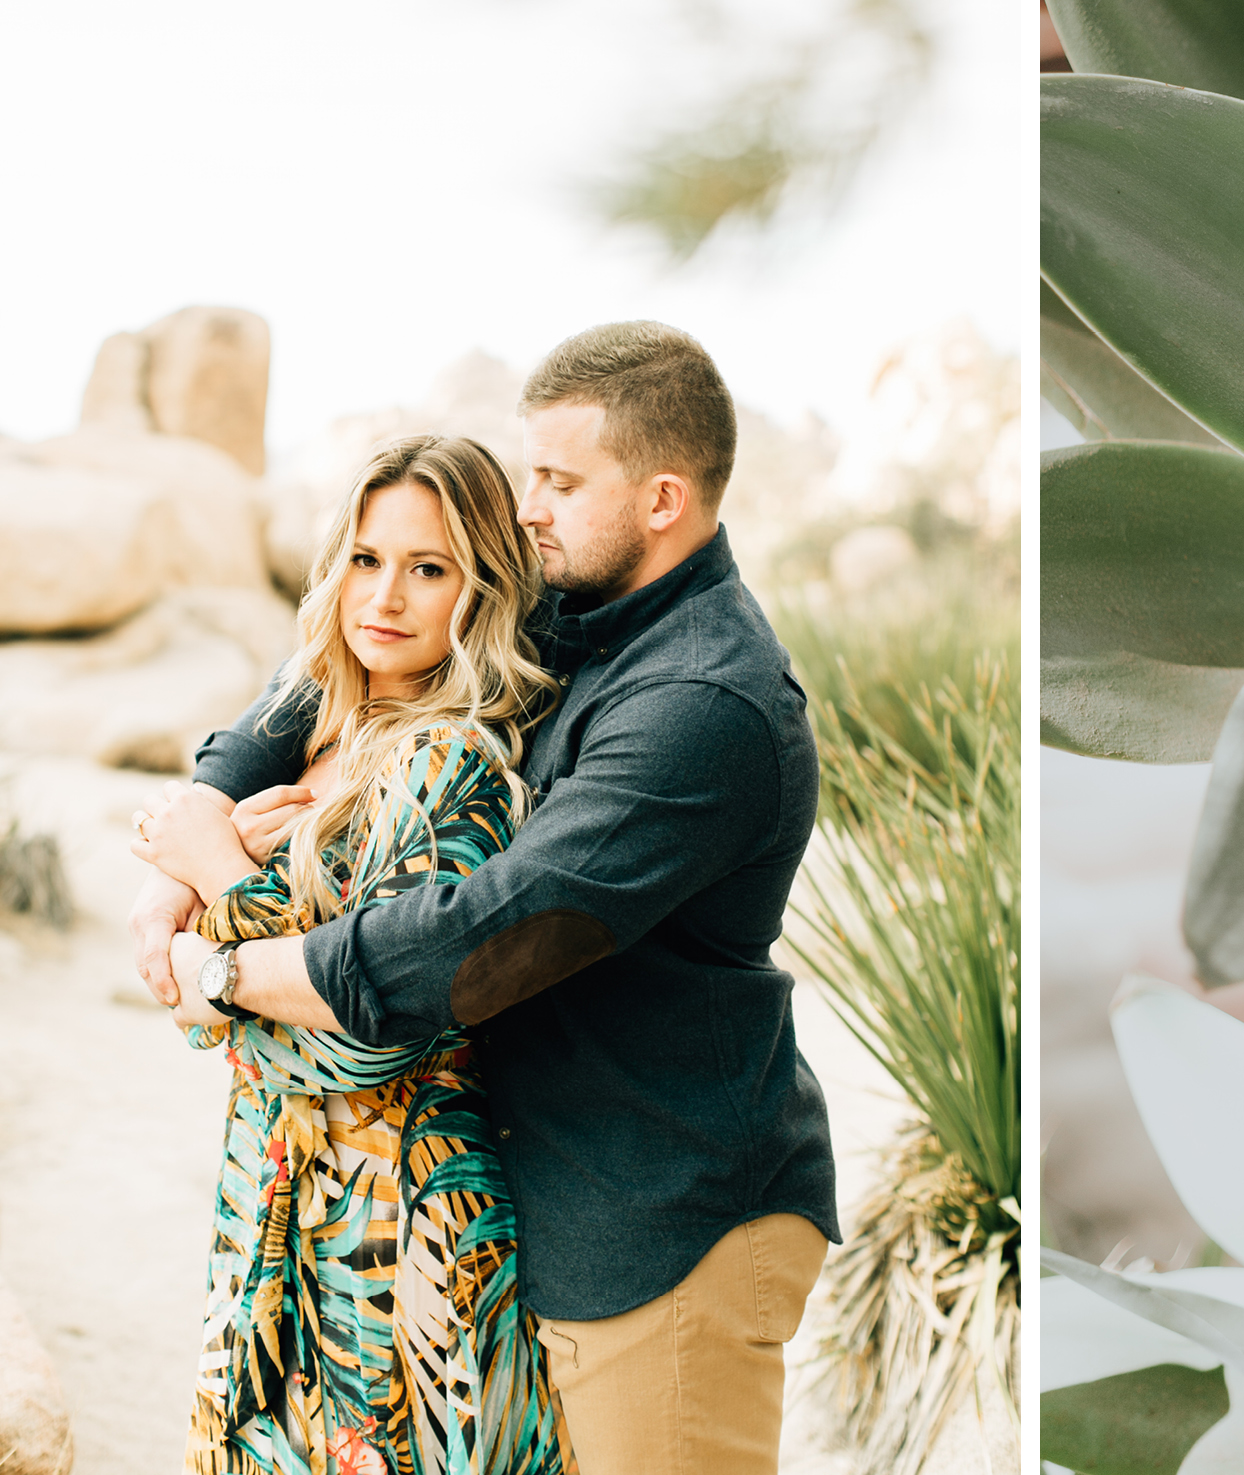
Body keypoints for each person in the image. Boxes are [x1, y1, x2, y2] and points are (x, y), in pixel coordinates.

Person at [130, 321, 839, 1475]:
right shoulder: (575, 606)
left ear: (662, 498)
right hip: (546, 1194)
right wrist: (200, 818)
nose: (530, 509)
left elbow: (482, 942)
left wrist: (220, 958)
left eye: (557, 481)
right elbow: (335, 656)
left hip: (661, 1220)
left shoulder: (704, 701)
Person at [131, 434, 574, 1472]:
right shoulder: (318, 733)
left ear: (482, 590)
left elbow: (373, 1039)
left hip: (399, 1231)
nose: (386, 594)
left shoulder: (452, 763)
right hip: (272, 1191)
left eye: (429, 567)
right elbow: (221, 996)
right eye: (366, 558)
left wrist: (220, 895)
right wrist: (214, 951)